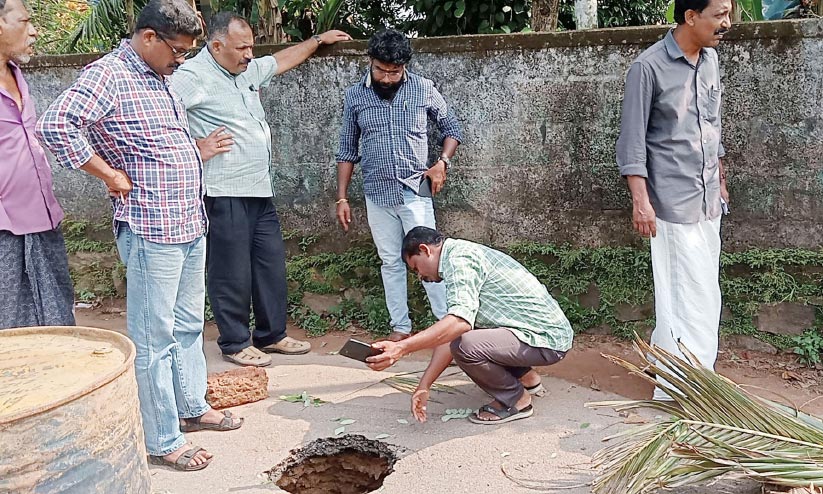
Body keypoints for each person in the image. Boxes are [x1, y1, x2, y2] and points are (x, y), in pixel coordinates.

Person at [37, 0, 240, 472]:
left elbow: (161, 145)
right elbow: (55, 125)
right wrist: (108, 174)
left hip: (188, 222)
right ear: (149, 38)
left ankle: (191, 408)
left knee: (189, 327)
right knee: (154, 339)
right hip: (152, 228)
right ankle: (161, 439)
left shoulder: (159, 76)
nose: (182, 61)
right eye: (178, 51)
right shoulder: (109, 74)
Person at [170, 13, 350, 367]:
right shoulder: (190, 77)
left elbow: (280, 60)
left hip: (258, 190)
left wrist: (317, 41)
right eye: (242, 48)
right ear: (216, 45)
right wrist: (195, 147)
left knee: (270, 266)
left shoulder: (245, 69)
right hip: (222, 191)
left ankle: (271, 335)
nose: (250, 54)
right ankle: (235, 341)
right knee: (230, 271)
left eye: (251, 46)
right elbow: (157, 119)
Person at [616, 0, 732, 400]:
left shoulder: (711, 61)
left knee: (701, 289)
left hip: (707, 197)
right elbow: (631, 141)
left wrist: (721, 179)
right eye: (719, 14)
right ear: (690, 16)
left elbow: (712, 126)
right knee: (685, 293)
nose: (726, 23)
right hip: (670, 200)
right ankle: (686, 388)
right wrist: (640, 201)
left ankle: (671, 363)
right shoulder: (647, 68)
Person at [366, 227, 574, 425]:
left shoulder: (459, 261)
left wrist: (402, 348)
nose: (420, 276)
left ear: (424, 250)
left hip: (547, 340)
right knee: (466, 334)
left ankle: (516, 400)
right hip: (542, 334)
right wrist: (424, 386)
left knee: (465, 344)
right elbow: (450, 330)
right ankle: (528, 379)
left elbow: (457, 326)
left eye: (416, 267)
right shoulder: (460, 254)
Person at [336, 29, 461, 343]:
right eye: (381, 70)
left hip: (415, 192)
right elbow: (347, 149)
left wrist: (442, 162)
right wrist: (341, 198)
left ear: (404, 66)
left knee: (431, 259)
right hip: (377, 194)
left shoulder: (423, 88)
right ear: (371, 62)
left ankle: (447, 332)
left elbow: (452, 128)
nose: (388, 78)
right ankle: (400, 329)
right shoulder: (355, 96)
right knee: (390, 261)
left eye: (395, 71)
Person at [0, 0, 75, 330]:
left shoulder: (18, 75)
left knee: (56, 314)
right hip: (5, 228)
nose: (34, 31)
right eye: (25, 21)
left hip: (43, 219)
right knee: (11, 327)